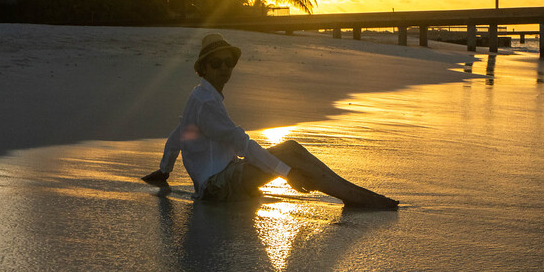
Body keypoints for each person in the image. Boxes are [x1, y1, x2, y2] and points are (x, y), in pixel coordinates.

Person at [142, 33, 398, 208]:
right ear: (204, 68)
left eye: (228, 62)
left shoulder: (198, 97)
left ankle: (351, 193)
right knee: (291, 153)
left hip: (219, 184)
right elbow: (244, 145)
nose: (224, 68)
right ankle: (354, 196)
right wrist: (288, 176)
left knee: (293, 150)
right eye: (216, 64)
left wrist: (164, 171)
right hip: (218, 188)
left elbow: (177, 136)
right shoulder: (207, 104)